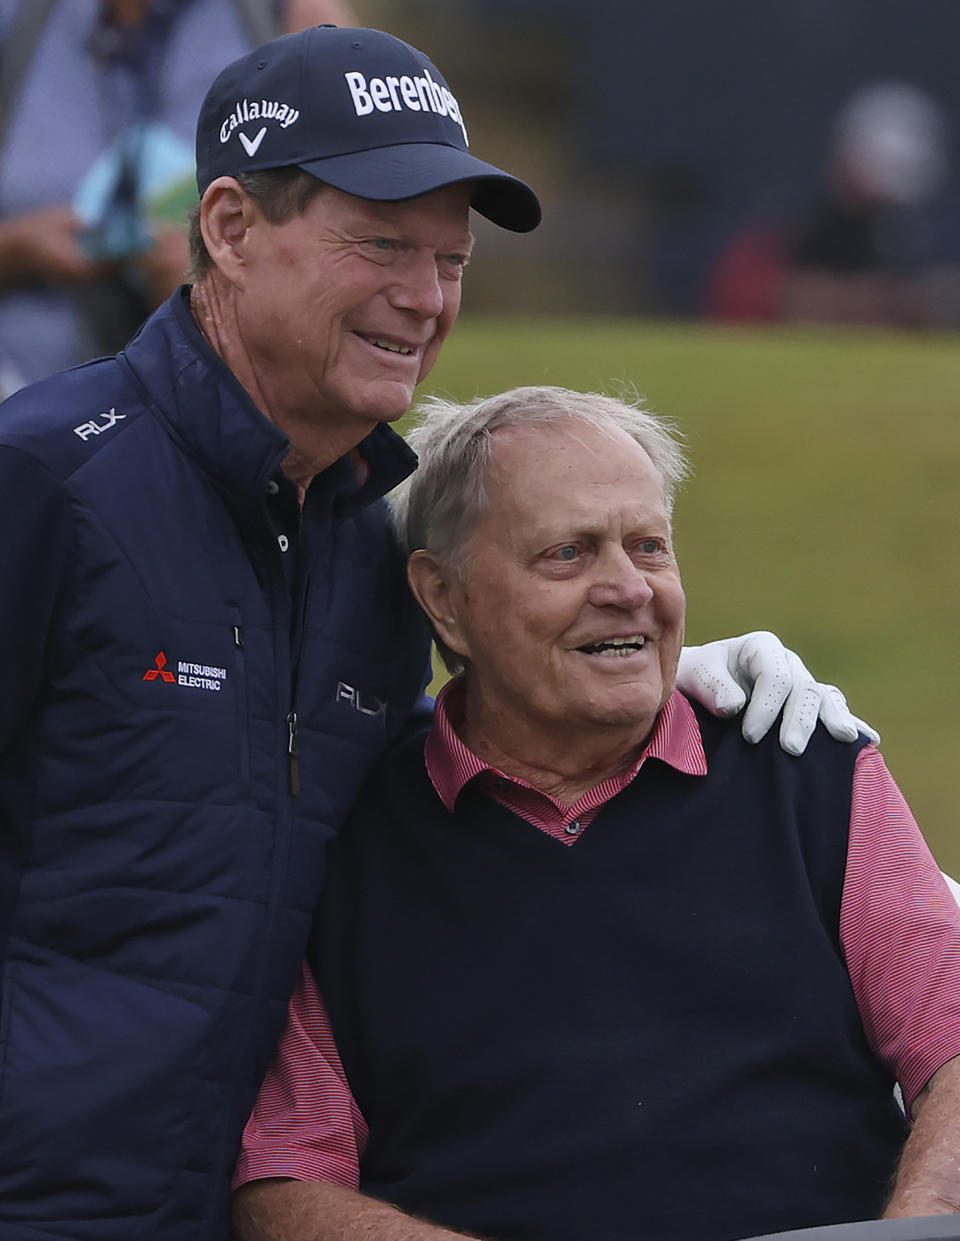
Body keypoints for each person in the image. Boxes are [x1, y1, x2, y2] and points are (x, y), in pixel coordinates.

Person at [0, 23, 878, 1241]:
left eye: (450, 260)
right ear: (231, 228)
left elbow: (281, 760)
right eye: (380, 245)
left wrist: (671, 676)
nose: (424, 299)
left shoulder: (376, 540)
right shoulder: (43, 478)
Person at [233, 386, 960, 1241]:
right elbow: (283, 1180)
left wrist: (913, 1229)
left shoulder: (808, 771)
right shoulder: (346, 837)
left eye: (649, 546)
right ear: (444, 598)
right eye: (568, 554)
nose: (628, 589)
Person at [0, 0, 355, 398]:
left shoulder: (285, 17)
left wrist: (215, 285)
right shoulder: (18, 19)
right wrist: (16, 248)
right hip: (20, 400)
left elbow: (352, 254)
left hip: (215, 412)